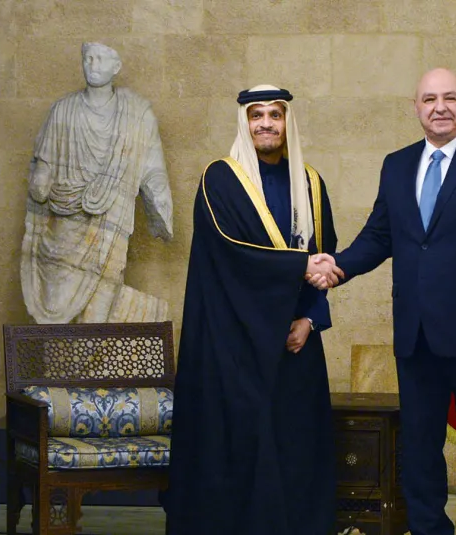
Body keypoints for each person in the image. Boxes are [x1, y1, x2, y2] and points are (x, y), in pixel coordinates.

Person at [315, 68, 456, 535]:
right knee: (418, 448)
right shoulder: (397, 164)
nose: (440, 107)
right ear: (415, 107)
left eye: (449, 98)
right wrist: (337, 267)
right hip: (416, 335)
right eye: (430, 99)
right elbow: (379, 236)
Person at [167, 85, 339, 534]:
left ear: (287, 122)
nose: (266, 123)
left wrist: (310, 320)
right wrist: (301, 266)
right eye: (256, 115)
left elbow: (325, 255)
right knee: (242, 451)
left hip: (296, 343)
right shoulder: (220, 178)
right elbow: (230, 254)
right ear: (244, 122)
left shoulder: (311, 182)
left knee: (297, 446)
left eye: (275, 115)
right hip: (234, 347)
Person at [21, 41, 173, 323]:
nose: (93, 65)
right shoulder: (62, 110)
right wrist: (40, 179)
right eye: (88, 59)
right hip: (64, 218)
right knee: (56, 301)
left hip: (111, 217)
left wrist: (160, 208)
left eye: (101, 59)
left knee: (101, 304)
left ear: (116, 67)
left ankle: (94, 351)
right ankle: (64, 353)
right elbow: (44, 162)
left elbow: (153, 168)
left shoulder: (137, 114)